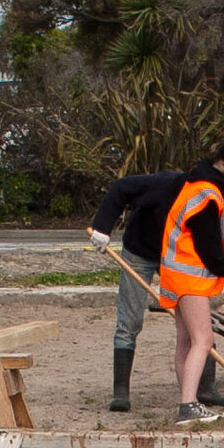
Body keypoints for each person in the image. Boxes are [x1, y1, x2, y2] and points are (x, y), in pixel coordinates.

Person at [150, 136, 224, 424]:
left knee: (185, 341)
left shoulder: (196, 183)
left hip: (176, 274)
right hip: (190, 276)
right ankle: (188, 405)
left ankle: (188, 401)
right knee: (203, 339)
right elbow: (209, 250)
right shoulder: (207, 196)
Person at [84, 158, 190, 413]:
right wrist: (102, 228)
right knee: (130, 320)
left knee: (195, 318)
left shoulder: (210, 199)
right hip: (139, 251)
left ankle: (205, 388)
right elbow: (120, 188)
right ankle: (121, 391)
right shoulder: (163, 186)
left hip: (175, 256)